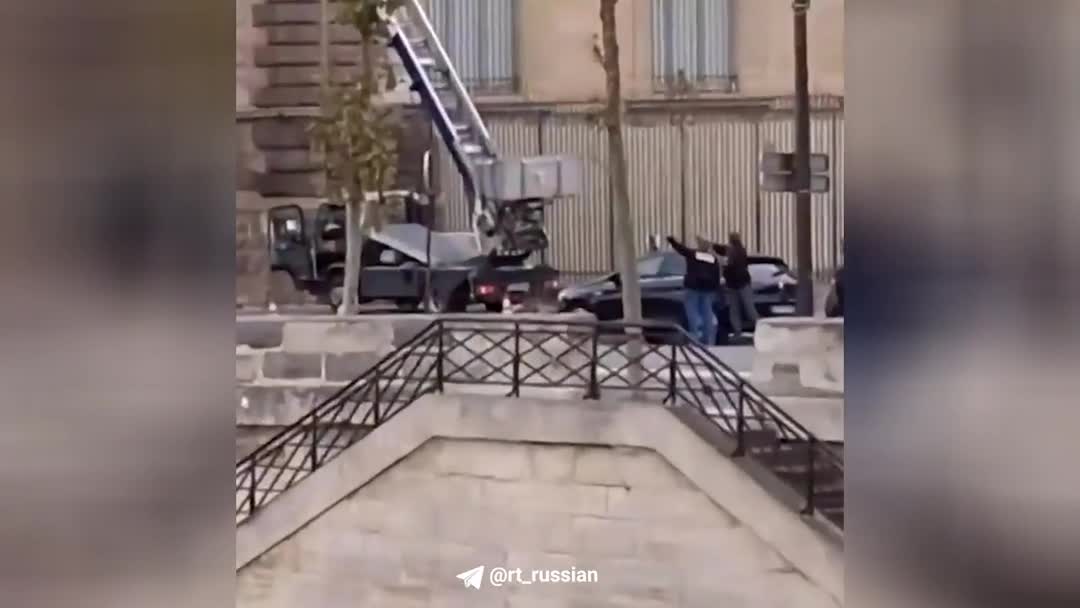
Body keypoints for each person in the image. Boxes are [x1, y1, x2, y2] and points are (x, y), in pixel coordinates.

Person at [667, 235, 723, 345]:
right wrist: (715, 289)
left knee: (692, 314)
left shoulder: (693, 254)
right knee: (707, 314)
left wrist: (672, 241)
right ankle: (708, 340)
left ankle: (695, 339)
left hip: (692, 288)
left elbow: (681, 249)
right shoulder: (712, 259)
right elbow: (717, 275)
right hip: (707, 290)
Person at [721, 232, 758, 341]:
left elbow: (730, 264)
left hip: (738, 283)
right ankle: (738, 332)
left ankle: (739, 332)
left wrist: (723, 264)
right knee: (742, 309)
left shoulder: (734, 251)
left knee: (739, 310)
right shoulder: (739, 250)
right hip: (738, 283)